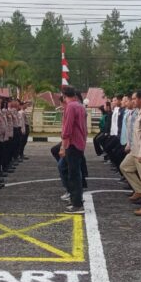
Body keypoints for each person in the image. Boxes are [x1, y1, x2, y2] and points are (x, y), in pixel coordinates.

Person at [60, 86, 87, 214]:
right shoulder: (80, 106)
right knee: (75, 172)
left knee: (73, 174)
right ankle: (76, 200)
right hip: (79, 142)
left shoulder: (70, 107)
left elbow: (67, 127)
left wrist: (64, 140)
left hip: (72, 143)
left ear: (64, 95)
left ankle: (77, 203)